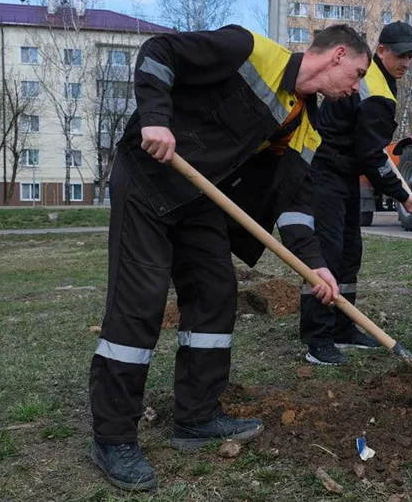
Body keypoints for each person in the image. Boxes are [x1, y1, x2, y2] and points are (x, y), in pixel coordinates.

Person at [88, 24, 371, 491]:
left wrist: (314, 264)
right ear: (338, 55)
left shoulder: (307, 127)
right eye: (358, 74)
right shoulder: (250, 50)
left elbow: (295, 203)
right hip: (147, 177)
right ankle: (113, 436)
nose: (356, 87)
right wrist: (155, 117)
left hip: (199, 195)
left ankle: (196, 416)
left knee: (216, 291)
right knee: (140, 301)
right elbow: (160, 50)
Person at [299, 21, 412, 365]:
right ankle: (318, 339)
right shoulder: (375, 89)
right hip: (324, 170)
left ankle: (343, 326)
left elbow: (368, 149)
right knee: (327, 254)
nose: (406, 62)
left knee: (350, 251)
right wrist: (402, 195)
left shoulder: (382, 83)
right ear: (381, 50)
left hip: (345, 172)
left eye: (410, 56)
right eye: (400, 55)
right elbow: (372, 155)